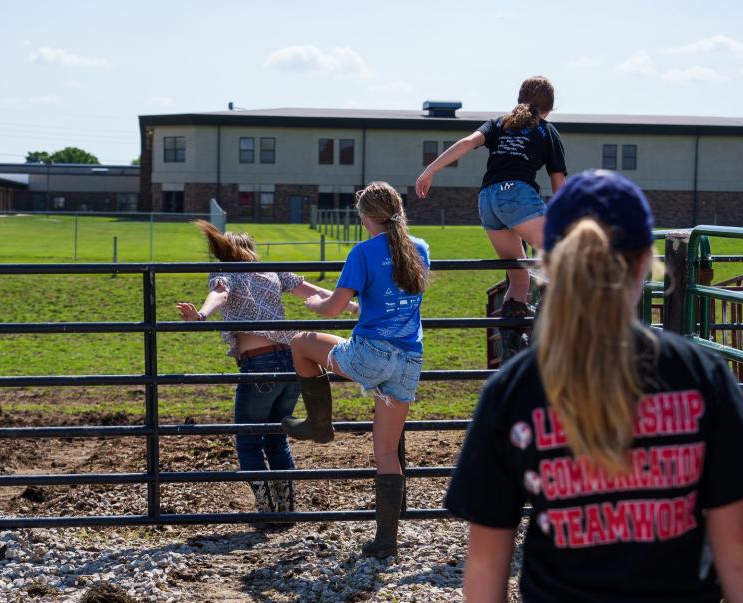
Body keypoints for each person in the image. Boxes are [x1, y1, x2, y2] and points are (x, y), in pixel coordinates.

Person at [445, 171, 743, 603]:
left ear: (550, 264)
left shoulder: (516, 387)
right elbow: (738, 550)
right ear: (644, 264)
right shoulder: (700, 377)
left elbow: (485, 562)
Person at [281, 181, 430, 558]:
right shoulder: (421, 248)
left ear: (365, 216)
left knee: (301, 342)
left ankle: (319, 425)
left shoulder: (362, 252)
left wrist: (314, 302)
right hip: (410, 359)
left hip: (368, 355)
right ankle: (386, 543)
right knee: (386, 453)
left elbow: (332, 308)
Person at [177, 220, 358, 525]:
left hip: (258, 365)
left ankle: (266, 509)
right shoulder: (272, 271)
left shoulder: (226, 272)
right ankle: (286, 510)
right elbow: (310, 290)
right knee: (276, 437)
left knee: (248, 439)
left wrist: (202, 315)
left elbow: (220, 294)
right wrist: (351, 306)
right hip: (291, 362)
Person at [415, 75, 567, 357]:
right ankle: (550, 327)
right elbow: (559, 186)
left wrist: (430, 170)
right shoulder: (547, 131)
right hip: (517, 195)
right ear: (549, 108)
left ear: (519, 99)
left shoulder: (499, 123)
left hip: (487, 200)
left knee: (519, 277)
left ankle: (512, 344)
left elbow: (465, 143)